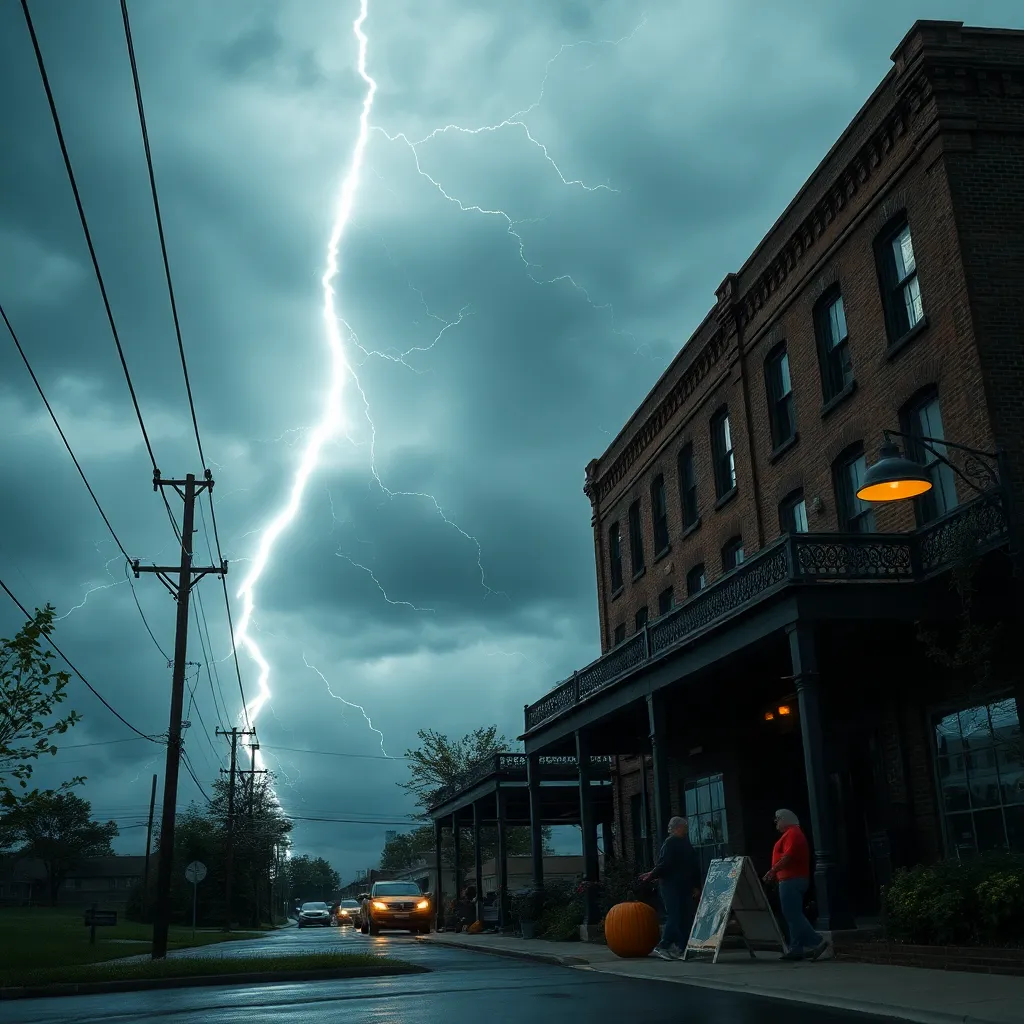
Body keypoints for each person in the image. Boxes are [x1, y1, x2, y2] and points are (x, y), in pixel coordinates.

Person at [762, 809, 831, 961]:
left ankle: (818, 942)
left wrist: (772, 871)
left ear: (785, 819)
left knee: (792, 914)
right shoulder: (791, 834)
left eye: (778, 820)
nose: (776, 824)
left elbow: (788, 857)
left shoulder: (793, 833)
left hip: (791, 880)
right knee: (793, 914)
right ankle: (796, 949)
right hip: (791, 879)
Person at [639, 816, 702, 960]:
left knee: (684, 916)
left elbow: (693, 866)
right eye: (684, 827)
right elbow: (665, 864)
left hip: (683, 886)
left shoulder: (684, 844)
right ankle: (664, 945)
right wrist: (652, 875)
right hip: (671, 886)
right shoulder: (672, 843)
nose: (686, 829)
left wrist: (696, 886)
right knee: (675, 915)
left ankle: (681, 947)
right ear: (676, 828)